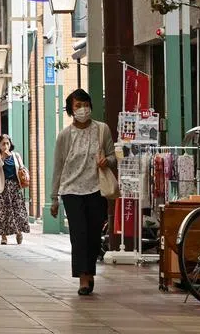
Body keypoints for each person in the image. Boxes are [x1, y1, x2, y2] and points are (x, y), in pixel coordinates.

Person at [49, 89, 116, 295]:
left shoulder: (102, 130)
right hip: (71, 190)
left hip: (96, 189)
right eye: (77, 106)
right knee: (79, 235)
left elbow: (113, 155)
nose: (82, 109)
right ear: (70, 110)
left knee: (94, 235)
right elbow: (58, 167)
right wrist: (54, 198)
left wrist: (107, 161)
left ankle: (90, 271)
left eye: (85, 105)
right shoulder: (65, 136)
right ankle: (83, 279)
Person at [0, 134, 30, 245]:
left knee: (18, 211)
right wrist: (3, 158)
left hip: (15, 187)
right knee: (3, 212)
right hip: (2, 187)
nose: (5, 146)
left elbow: (21, 168)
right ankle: (3, 237)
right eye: (3, 144)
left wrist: (23, 172)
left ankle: (19, 232)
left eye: (7, 143)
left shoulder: (16, 155)